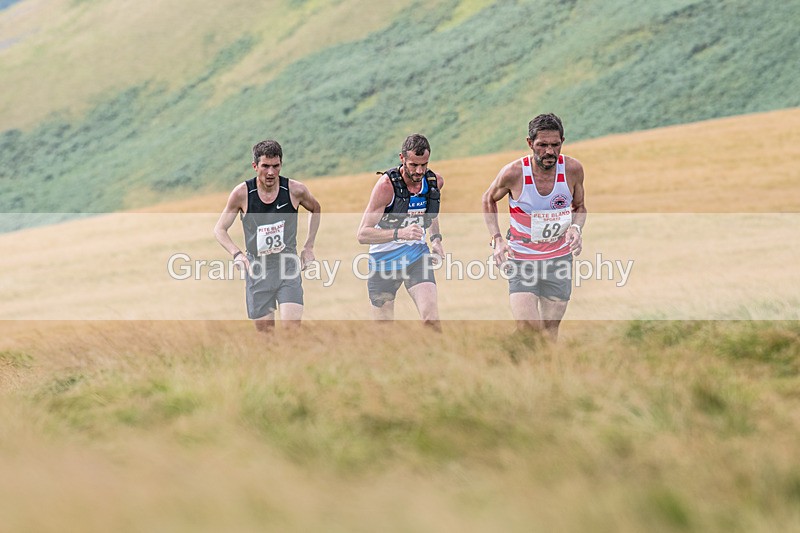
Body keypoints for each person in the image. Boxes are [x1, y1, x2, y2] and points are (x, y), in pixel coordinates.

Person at [482, 113, 586, 340]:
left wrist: (576, 229)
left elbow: (580, 207)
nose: (549, 152)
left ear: (562, 142)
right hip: (522, 259)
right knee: (528, 328)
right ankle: (508, 355)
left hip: (559, 260)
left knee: (549, 333)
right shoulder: (514, 173)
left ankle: (542, 371)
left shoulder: (573, 170)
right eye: (542, 145)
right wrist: (497, 239)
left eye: (555, 145)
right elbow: (488, 199)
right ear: (530, 144)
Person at [214, 139, 321, 332]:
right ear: (255, 166)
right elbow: (220, 229)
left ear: (281, 165)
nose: (271, 172)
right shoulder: (242, 193)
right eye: (265, 166)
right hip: (258, 270)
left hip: (287, 267)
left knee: (292, 331)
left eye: (275, 166)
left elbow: (316, 208)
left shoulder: (295, 190)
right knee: (266, 336)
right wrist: (237, 254)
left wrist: (308, 246)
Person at [357, 134, 445, 330]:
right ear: (402, 158)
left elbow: (430, 212)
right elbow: (363, 234)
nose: (419, 171)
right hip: (383, 261)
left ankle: (436, 358)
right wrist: (400, 233)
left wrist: (436, 240)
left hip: (416, 257)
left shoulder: (433, 182)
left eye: (424, 164)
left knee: (431, 318)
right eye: (413, 165)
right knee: (385, 331)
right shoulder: (386, 187)